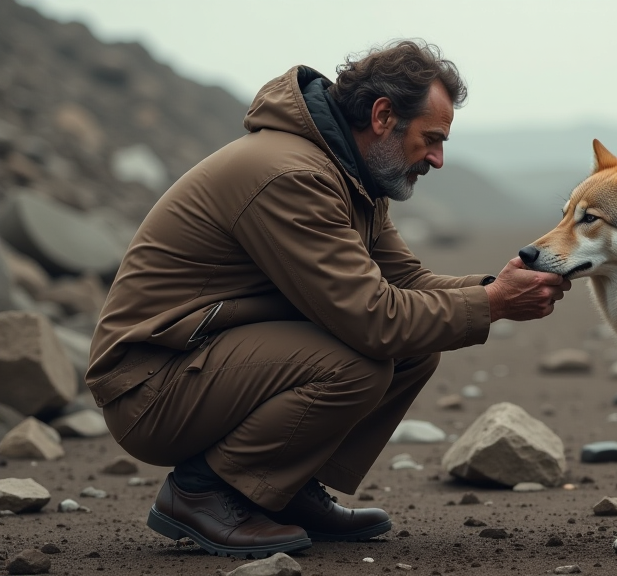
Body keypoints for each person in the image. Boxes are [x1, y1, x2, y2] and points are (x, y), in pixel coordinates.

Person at [86, 40, 571, 559]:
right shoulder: (292, 175)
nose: (438, 158)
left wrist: (492, 286)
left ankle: (278, 490)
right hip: (149, 386)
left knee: (414, 348)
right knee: (358, 363)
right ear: (383, 115)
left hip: (202, 358)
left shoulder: (350, 174)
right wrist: (495, 303)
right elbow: (374, 319)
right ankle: (202, 492)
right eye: (431, 139)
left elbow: (405, 284)